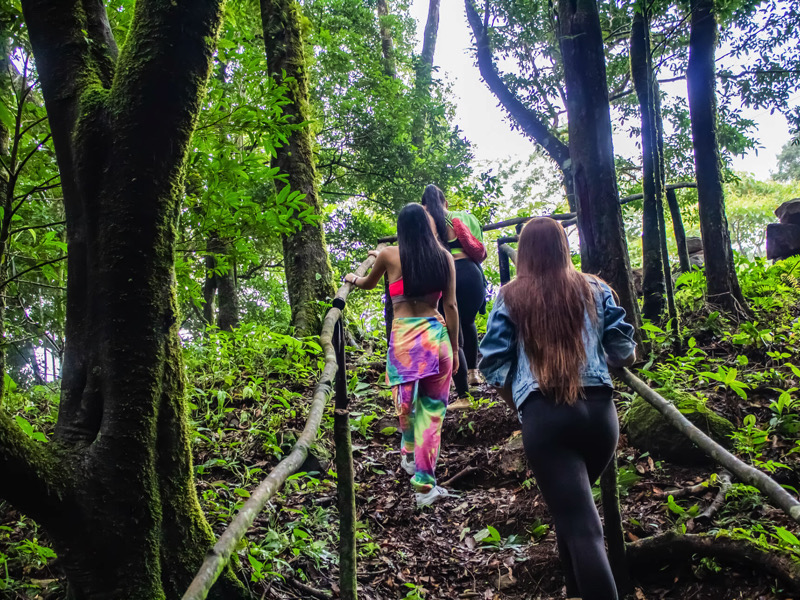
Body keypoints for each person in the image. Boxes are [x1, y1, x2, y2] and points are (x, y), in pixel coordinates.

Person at [478, 217, 636, 600]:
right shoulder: (595, 288)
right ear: (565, 247)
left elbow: (492, 364)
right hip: (600, 418)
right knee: (572, 516)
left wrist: (520, 405)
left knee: (582, 527)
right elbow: (623, 352)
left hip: (547, 418)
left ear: (524, 253)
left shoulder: (511, 296)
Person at [344, 203, 460, 507]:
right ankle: (423, 483)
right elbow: (451, 307)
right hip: (437, 338)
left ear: (401, 228)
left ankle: (409, 454)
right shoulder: (444, 258)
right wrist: (456, 347)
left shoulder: (389, 255)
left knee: (406, 406)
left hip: (405, 342)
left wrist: (354, 278)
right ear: (427, 226)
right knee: (432, 413)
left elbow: (368, 284)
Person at [420, 184, 486, 410]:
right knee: (467, 322)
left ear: (424, 205)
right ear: (446, 202)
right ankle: (474, 373)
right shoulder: (464, 217)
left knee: (451, 330)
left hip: (448, 276)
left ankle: (462, 394)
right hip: (473, 275)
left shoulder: (426, 222)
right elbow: (479, 248)